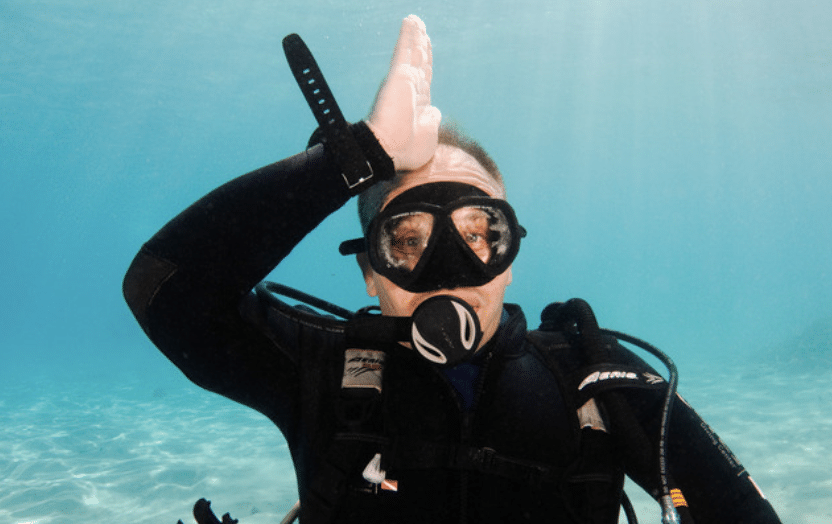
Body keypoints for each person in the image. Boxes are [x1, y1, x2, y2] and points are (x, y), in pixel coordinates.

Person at [123, 15, 782, 524]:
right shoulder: (321, 373)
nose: (447, 270)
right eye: (407, 241)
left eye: (478, 235)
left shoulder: (599, 388)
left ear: (510, 261)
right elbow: (161, 289)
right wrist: (352, 160)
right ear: (370, 274)